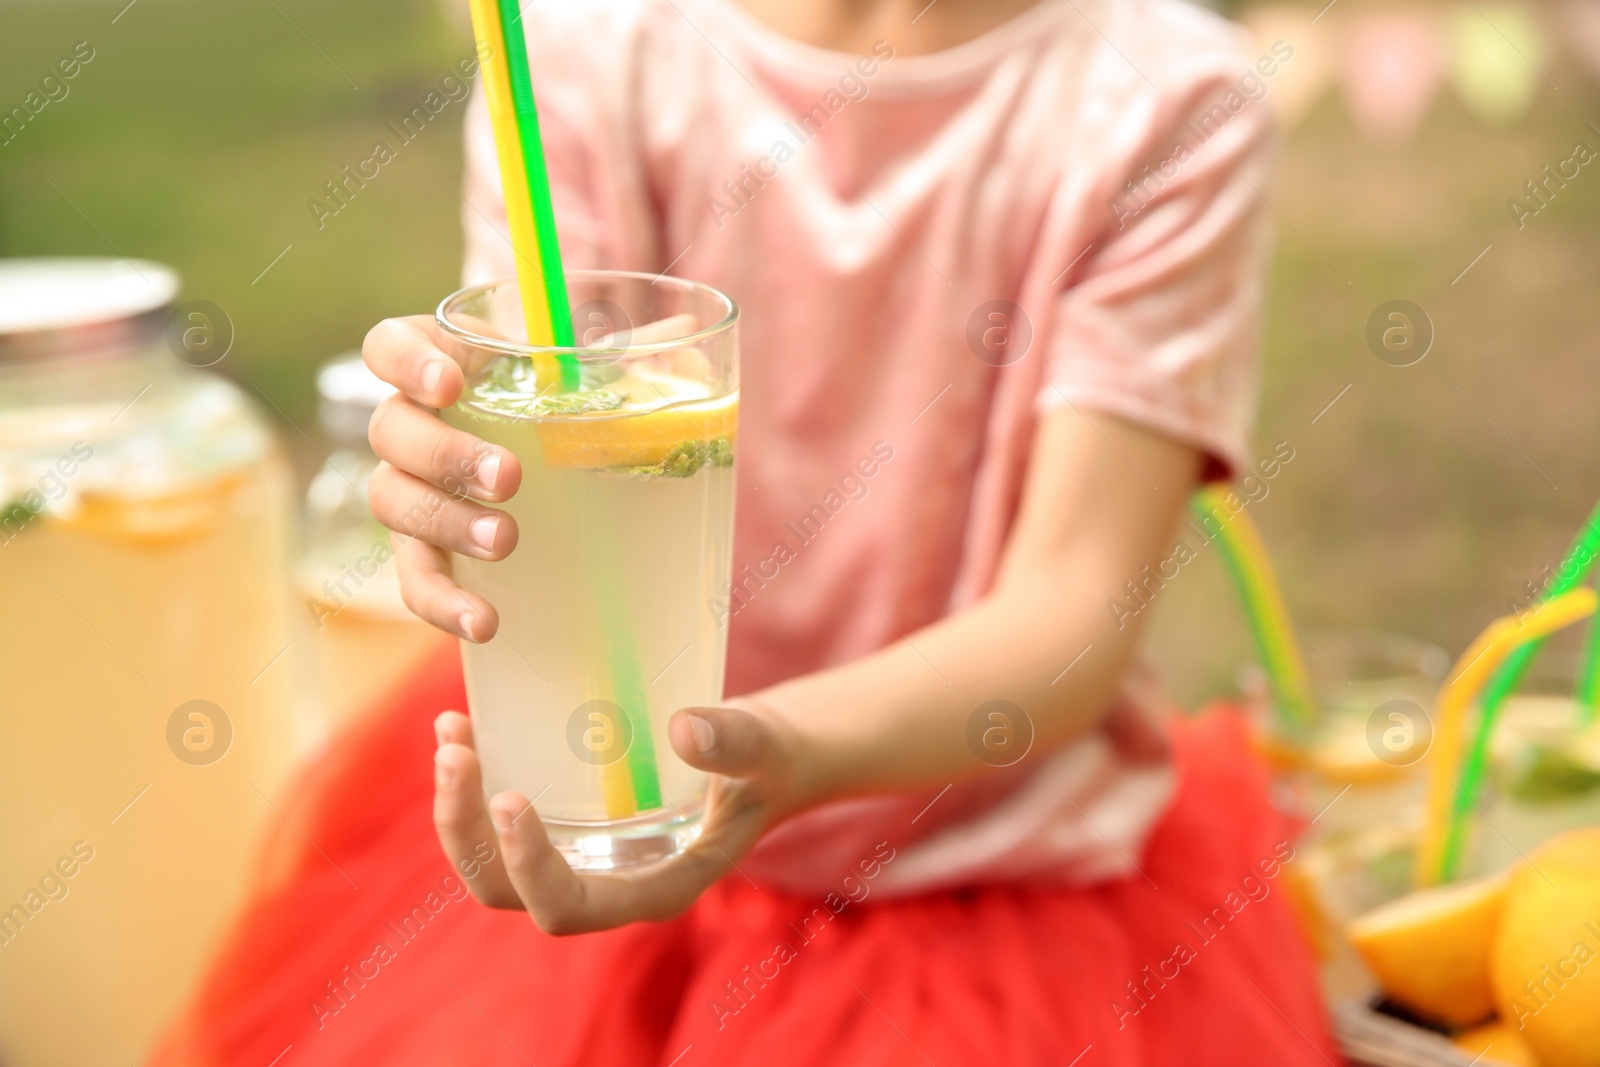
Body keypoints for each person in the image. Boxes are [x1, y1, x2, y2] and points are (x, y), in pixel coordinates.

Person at [153, 0, 1336, 1063]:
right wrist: (456, 478)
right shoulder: (584, 45)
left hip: (977, 862)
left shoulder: (1167, 99)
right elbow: (540, 421)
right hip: (589, 780)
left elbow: (1072, 605)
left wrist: (770, 754)